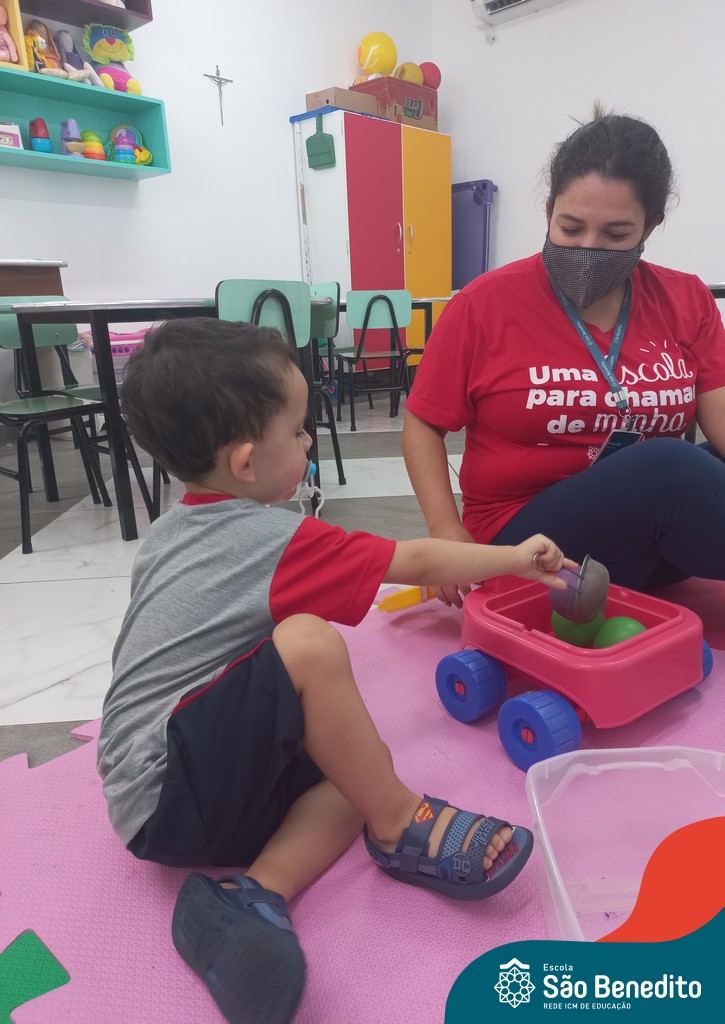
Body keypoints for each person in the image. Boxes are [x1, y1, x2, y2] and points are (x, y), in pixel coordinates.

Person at [97, 318, 574, 1024]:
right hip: (167, 779)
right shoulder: (270, 537)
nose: (308, 442)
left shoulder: (171, 530)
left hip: (159, 792)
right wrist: (513, 558)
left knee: (353, 771)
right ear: (246, 463)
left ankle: (252, 897)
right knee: (309, 643)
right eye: (297, 431)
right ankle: (400, 822)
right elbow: (414, 560)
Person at [403, 109, 725, 607]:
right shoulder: (484, 304)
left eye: (616, 235)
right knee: (671, 466)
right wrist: (446, 531)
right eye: (570, 227)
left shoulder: (686, 299)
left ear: (651, 225)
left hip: (644, 536)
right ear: (549, 209)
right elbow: (423, 424)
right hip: (528, 547)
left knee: (700, 463)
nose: (588, 249)